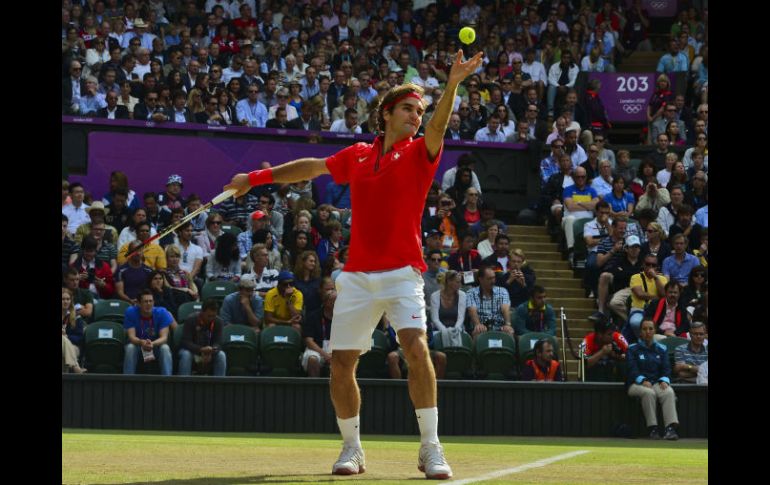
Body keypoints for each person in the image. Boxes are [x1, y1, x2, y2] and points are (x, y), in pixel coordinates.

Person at [223, 50, 485, 479]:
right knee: (341, 362)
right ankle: (352, 449)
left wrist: (453, 83)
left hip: (403, 273)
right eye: (407, 109)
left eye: (419, 111)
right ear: (385, 114)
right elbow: (311, 167)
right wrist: (253, 179)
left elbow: (439, 124)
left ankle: (430, 448)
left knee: (417, 349)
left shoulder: (422, 152)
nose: (416, 117)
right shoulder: (359, 154)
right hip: (358, 277)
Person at [627, 319, 680, 440]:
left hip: (656, 382)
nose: (648, 332)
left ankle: (670, 429)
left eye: (651, 329)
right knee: (648, 393)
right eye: (644, 329)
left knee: (668, 392)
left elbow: (666, 369)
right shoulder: (632, 348)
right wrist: (642, 380)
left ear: (655, 331)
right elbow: (632, 370)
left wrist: (664, 380)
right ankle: (653, 429)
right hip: (635, 384)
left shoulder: (662, 348)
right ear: (640, 332)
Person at [123, 289, 175, 376]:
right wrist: (141, 342)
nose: (148, 304)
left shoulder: (162, 312)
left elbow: (164, 337)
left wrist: (152, 344)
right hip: (138, 345)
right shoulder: (130, 312)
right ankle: (127, 380)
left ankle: (167, 380)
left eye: (151, 301)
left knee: (165, 348)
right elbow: (131, 337)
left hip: (156, 346)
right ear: (138, 303)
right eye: (145, 301)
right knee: (130, 348)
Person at [179, 299, 226, 376]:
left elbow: (219, 342)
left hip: (210, 352)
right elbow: (185, 342)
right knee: (186, 355)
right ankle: (184, 384)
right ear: (202, 312)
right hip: (192, 351)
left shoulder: (218, 322)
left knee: (221, 355)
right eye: (209, 316)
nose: (211, 318)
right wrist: (201, 349)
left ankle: (219, 385)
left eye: (214, 316)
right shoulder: (191, 319)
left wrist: (212, 350)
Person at [581, 312, 629, 382]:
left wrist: (618, 356)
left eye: (613, 333)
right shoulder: (588, 340)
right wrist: (602, 352)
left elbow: (632, 356)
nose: (612, 336)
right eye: (609, 334)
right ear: (599, 334)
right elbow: (583, 365)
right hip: (594, 377)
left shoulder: (617, 337)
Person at [62, 288, 87, 374]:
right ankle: (75, 366)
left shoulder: (76, 317)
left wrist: (67, 336)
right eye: (63, 299)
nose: (65, 302)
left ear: (71, 301)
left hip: (74, 347)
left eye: (68, 299)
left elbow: (80, 338)